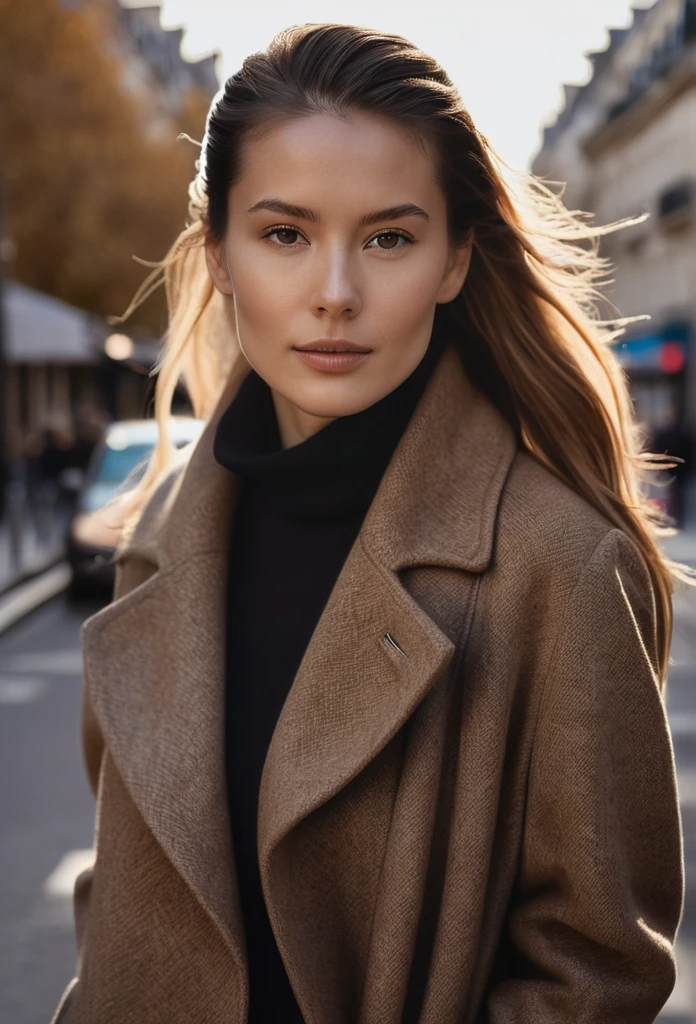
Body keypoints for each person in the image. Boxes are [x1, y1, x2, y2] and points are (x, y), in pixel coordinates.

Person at [51, 23, 692, 1024]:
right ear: (219, 253)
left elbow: (599, 967)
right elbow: (128, 895)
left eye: (389, 237)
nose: (336, 295)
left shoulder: (557, 562)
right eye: (285, 234)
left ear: (453, 260)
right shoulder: (159, 537)